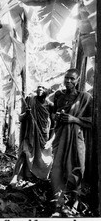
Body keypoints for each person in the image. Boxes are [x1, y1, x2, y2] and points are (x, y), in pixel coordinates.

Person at [51, 68, 92, 215]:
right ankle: (58, 203)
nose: (68, 81)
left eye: (72, 79)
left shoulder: (85, 98)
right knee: (57, 169)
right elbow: (53, 113)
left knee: (75, 168)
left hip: (76, 140)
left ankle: (74, 203)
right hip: (60, 138)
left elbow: (92, 121)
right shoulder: (58, 96)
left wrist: (74, 119)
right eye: (66, 78)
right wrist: (55, 116)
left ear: (78, 80)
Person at [10, 84, 53, 187]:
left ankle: (32, 176)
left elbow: (54, 125)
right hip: (29, 134)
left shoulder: (50, 105)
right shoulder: (30, 100)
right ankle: (15, 177)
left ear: (48, 91)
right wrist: (27, 114)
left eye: (43, 87)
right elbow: (21, 118)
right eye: (39, 87)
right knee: (24, 153)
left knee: (43, 159)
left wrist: (51, 140)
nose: (40, 89)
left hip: (43, 136)